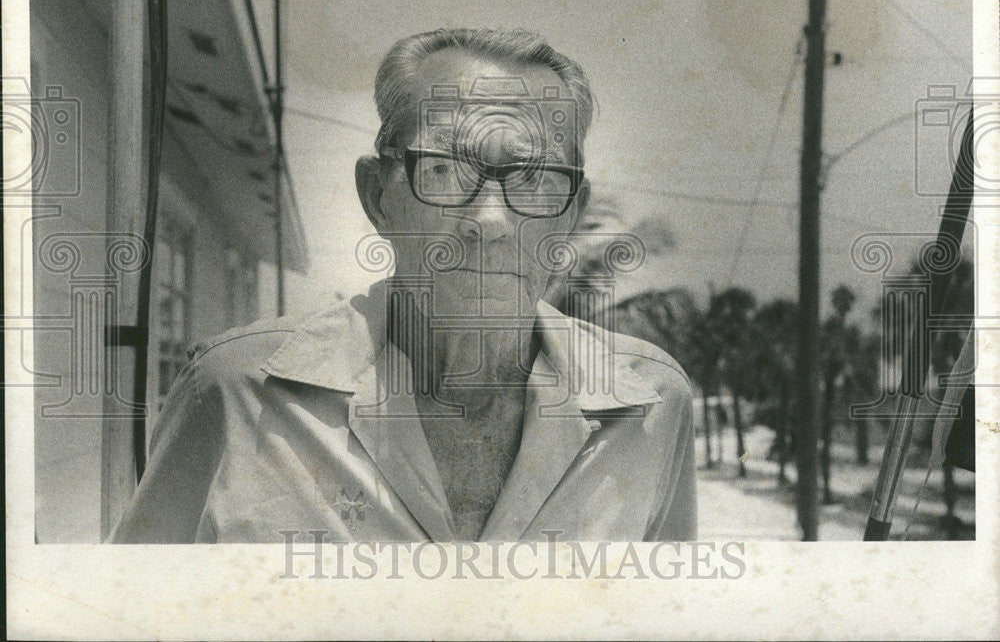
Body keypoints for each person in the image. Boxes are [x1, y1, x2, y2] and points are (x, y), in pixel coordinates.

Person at [110, 27, 697, 543]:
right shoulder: (237, 393)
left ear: (571, 212)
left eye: (535, 177)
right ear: (378, 196)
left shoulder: (649, 405)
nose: (490, 221)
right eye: (443, 170)